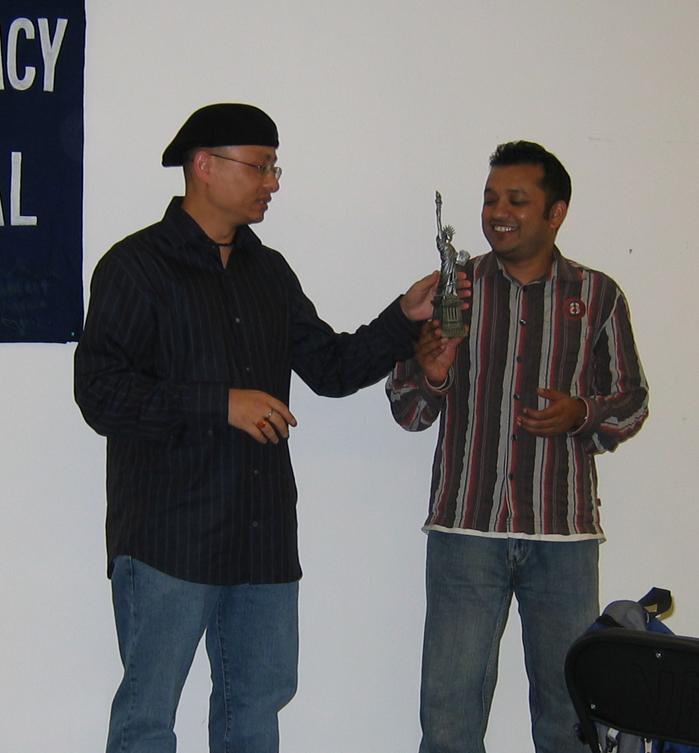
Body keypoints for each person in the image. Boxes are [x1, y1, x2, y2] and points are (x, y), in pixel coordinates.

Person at [74, 102, 464, 753]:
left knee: (254, 714)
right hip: (168, 537)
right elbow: (99, 393)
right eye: (259, 166)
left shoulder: (269, 271)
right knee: (147, 718)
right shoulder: (135, 267)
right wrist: (219, 404)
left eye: (274, 168)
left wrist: (403, 315)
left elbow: (331, 367)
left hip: (262, 539)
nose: (272, 182)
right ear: (204, 165)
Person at [386, 141, 649, 753]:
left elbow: (632, 403)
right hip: (466, 530)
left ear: (556, 213)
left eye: (516, 200)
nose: (497, 212)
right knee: (449, 718)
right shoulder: (453, 290)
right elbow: (407, 410)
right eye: (490, 199)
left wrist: (581, 414)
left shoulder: (598, 296)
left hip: (563, 535)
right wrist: (431, 373)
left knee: (570, 718)